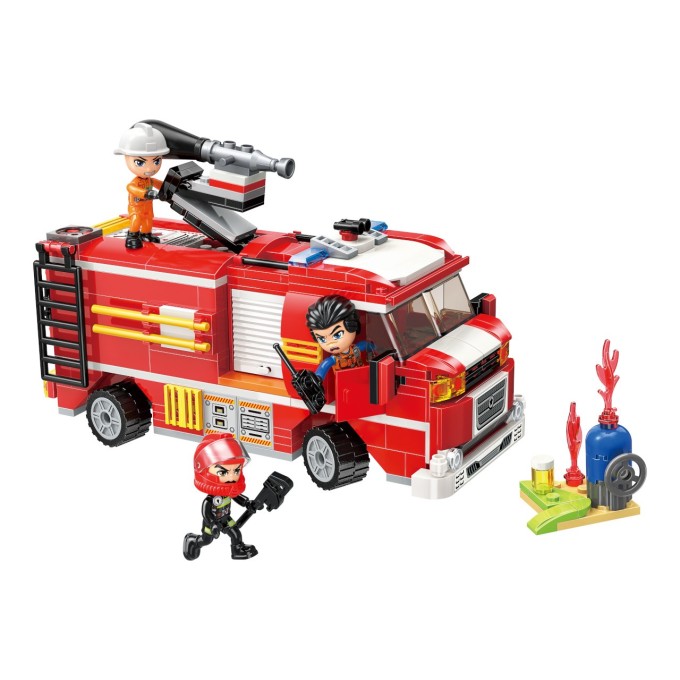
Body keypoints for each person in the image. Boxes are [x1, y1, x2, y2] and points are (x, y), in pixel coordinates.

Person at [183, 434, 262, 561]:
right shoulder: (211, 499)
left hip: (226, 518)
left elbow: (237, 497)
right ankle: (194, 541)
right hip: (212, 523)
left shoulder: (229, 491)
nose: (231, 477)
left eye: (236, 471)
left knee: (235, 533)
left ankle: (237, 550)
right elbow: (206, 513)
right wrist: (213, 524)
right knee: (207, 540)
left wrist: (247, 503)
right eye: (223, 472)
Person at [114, 122, 169, 249]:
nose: (149, 168)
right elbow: (132, 188)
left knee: (148, 222)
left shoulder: (150, 180)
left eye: (156, 161)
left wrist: (167, 188)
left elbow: (160, 184)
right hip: (136, 208)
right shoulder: (134, 183)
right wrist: (147, 193)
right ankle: (132, 236)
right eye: (140, 162)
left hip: (147, 208)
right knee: (136, 221)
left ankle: (146, 234)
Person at [306, 295, 374, 379]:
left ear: (352, 325)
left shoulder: (356, 349)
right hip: (344, 384)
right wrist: (316, 379)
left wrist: (375, 352)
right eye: (322, 339)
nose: (330, 344)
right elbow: (321, 370)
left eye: (337, 335)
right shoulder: (333, 359)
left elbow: (369, 345)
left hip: (363, 379)